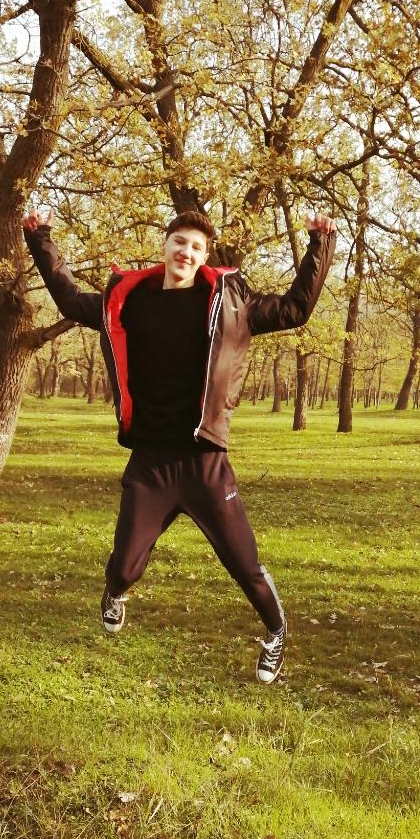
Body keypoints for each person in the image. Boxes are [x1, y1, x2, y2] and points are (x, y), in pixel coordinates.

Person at [22, 206, 336, 683]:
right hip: (151, 462)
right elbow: (68, 300)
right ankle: (115, 593)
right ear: (165, 246)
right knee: (123, 568)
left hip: (204, 463)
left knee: (244, 564)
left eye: (196, 247)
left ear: (205, 256)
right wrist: (40, 238)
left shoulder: (233, 304)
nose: (186, 252)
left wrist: (320, 243)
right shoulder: (127, 300)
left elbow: (296, 308)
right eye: (180, 242)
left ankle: (275, 630)